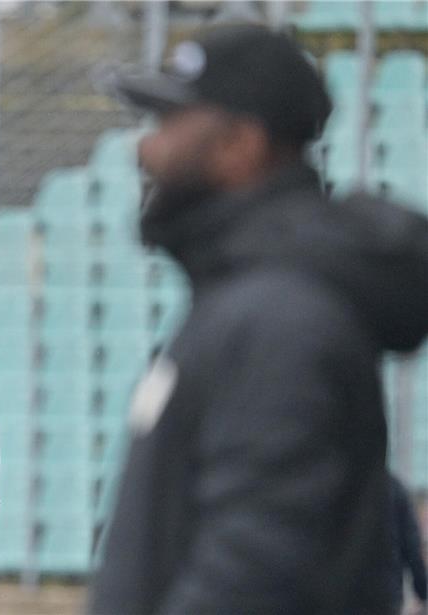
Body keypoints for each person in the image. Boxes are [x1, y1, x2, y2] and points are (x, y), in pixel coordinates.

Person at [88, 23, 428, 615]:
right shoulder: (247, 291)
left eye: (169, 123)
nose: (145, 148)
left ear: (240, 145)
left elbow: (255, 570)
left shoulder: (280, 312)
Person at [388, 474, 427, 614]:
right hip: (386, 595)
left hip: (345, 595)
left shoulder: (341, 484)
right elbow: (412, 546)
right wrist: (422, 589)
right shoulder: (393, 488)